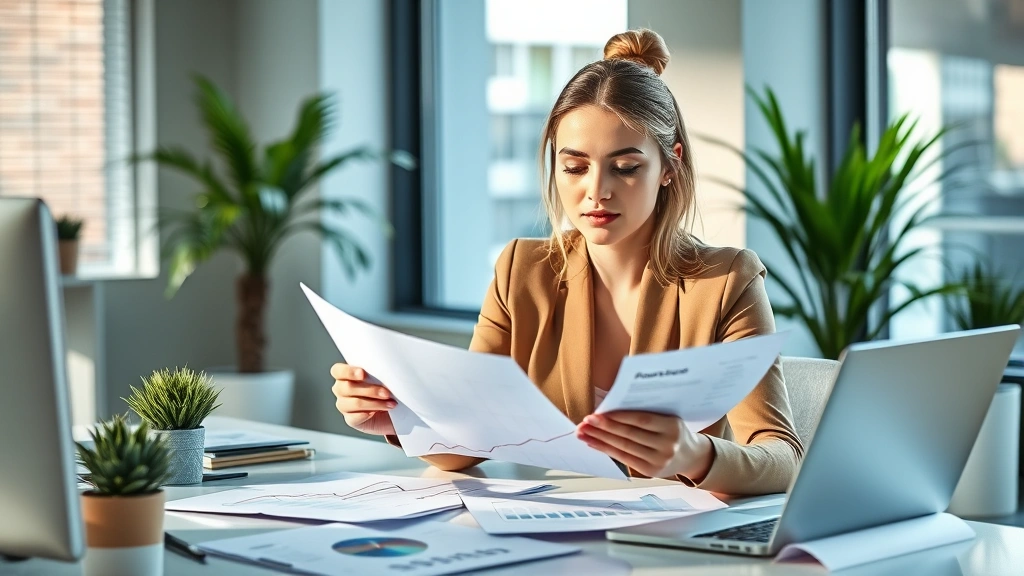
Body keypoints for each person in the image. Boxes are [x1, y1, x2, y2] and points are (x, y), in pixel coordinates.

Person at [331, 29, 803, 495]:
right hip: (553, 529)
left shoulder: (725, 281)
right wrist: (398, 416)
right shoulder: (521, 271)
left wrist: (694, 455)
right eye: (574, 167)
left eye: (625, 167)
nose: (596, 190)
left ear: (670, 166)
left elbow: (784, 458)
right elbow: (469, 436)